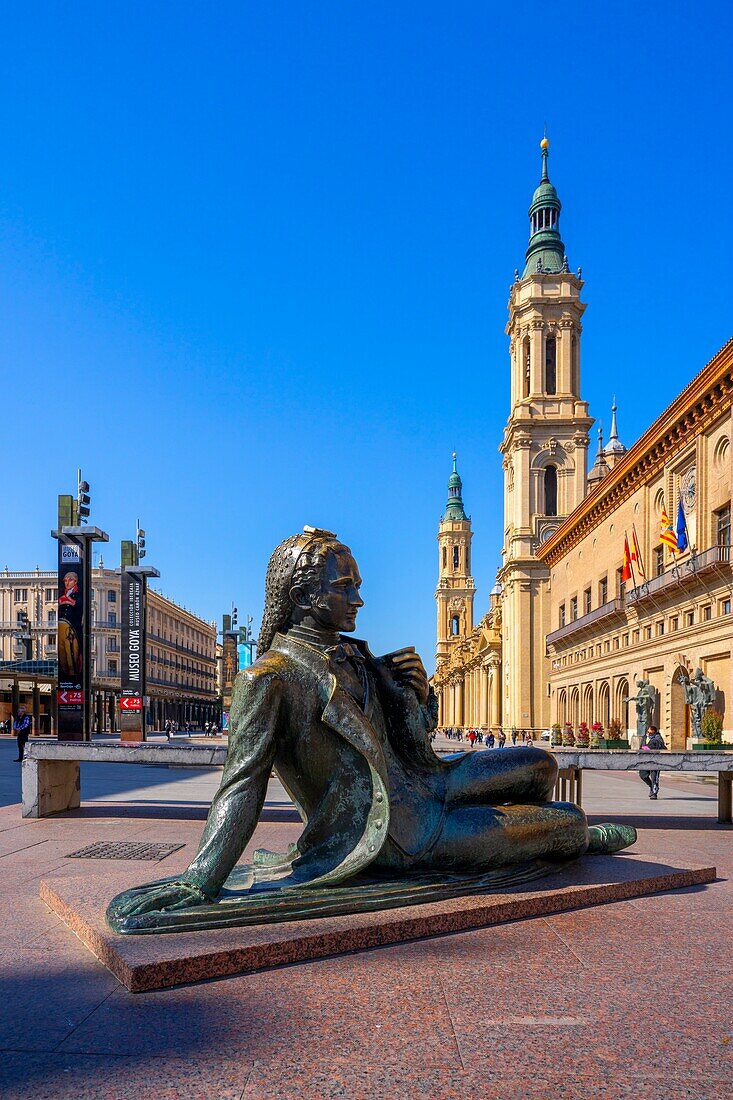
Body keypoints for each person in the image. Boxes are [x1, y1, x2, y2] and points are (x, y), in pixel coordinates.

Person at [110, 526, 635, 929]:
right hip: (399, 833)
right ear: (302, 597)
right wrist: (203, 877)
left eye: (357, 587)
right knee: (565, 820)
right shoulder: (269, 680)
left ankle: (537, 832)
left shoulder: (360, 659)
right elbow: (242, 786)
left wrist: (416, 697)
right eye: (345, 588)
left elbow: (413, 744)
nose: (358, 600)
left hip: (429, 783)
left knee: (541, 765)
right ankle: (572, 838)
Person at [639, 725, 666, 799]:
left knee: (654, 777)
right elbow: (640, 747)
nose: (648, 734)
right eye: (647, 732)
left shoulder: (658, 738)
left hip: (655, 760)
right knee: (642, 775)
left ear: (654, 732)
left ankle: (654, 792)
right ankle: (651, 785)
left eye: (650, 733)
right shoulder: (644, 737)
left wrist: (650, 747)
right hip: (645, 760)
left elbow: (659, 745)